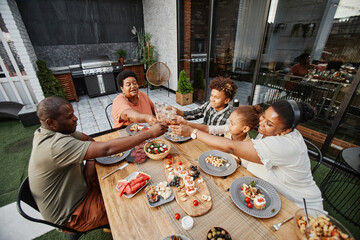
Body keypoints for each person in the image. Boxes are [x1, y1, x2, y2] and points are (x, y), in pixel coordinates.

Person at [28, 97, 167, 232]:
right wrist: (148, 134)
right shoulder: (54, 146)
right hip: (72, 214)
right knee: (131, 204)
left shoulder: (54, 131)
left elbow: (88, 139)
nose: (76, 119)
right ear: (51, 122)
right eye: (70, 117)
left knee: (125, 185)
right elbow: (106, 149)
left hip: (81, 190)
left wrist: (90, 161)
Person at [170, 100, 324, 210]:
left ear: (286, 131)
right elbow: (216, 130)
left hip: (298, 205)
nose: (261, 124)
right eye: (263, 116)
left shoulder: (286, 146)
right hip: (267, 193)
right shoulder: (269, 132)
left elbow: (232, 147)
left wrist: (193, 132)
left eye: (269, 124)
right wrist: (189, 125)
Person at [172, 76, 238, 127]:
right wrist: (177, 111)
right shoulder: (208, 105)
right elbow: (193, 114)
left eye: (217, 98)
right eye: (211, 96)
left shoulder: (230, 117)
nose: (212, 99)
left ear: (226, 100)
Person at [173, 105, 262, 141]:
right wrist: (187, 123)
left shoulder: (247, 145)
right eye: (230, 122)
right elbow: (209, 129)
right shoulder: (228, 129)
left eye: (232, 123)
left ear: (245, 128)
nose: (229, 125)